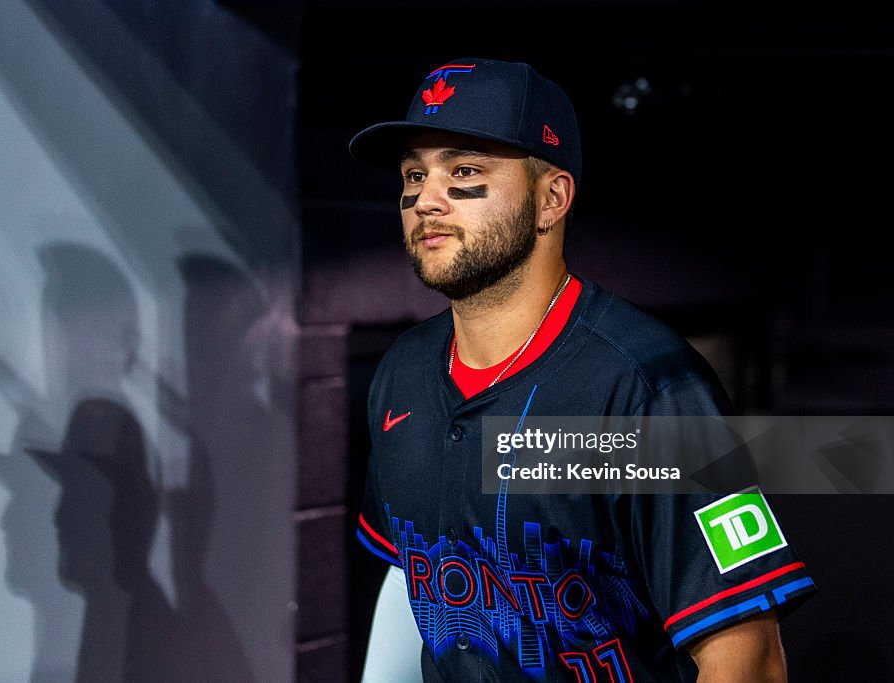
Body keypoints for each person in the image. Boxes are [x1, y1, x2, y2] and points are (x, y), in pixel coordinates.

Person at [347, 57, 815, 682]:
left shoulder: (649, 388)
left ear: (552, 198)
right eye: (413, 174)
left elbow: (747, 661)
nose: (425, 199)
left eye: (464, 170)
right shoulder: (401, 374)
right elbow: (414, 578)